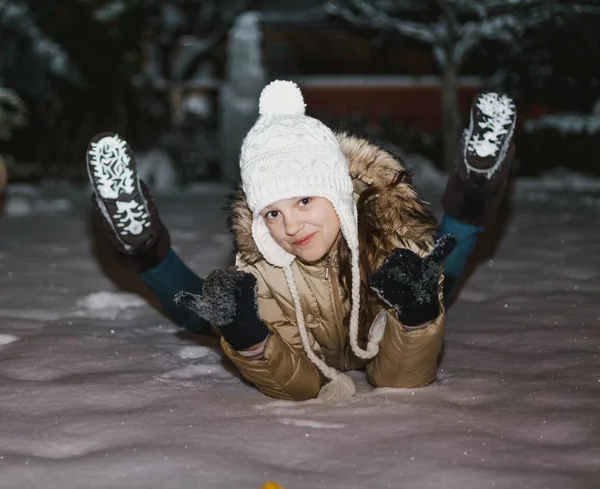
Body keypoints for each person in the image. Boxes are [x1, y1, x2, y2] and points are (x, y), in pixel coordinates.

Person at [86, 82, 516, 401]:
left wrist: (417, 316)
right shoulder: (265, 268)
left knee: (441, 271)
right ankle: (143, 244)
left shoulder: (391, 241)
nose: (291, 226)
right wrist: (250, 339)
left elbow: (399, 379)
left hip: (391, 297)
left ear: (337, 194)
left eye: (305, 200)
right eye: (273, 212)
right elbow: (303, 384)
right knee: (208, 312)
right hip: (286, 314)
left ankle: (473, 192)